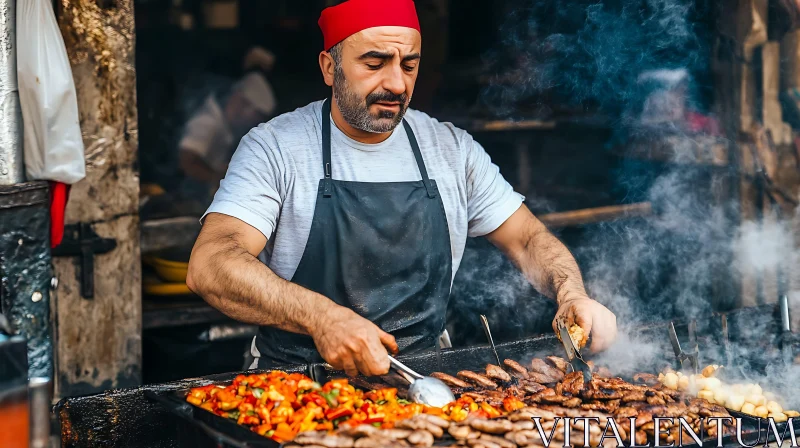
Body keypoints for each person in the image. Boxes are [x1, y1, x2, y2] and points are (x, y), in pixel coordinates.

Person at [186, 0, 617, 376]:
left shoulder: (451, 149)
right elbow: (212, 263)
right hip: (294, 388)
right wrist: (322, 318)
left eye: (408, 64)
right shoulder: (275, 147)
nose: (396, 83)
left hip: (426, 383)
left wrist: (572, 294)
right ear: (329, 67)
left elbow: (527, 239)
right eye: (374, 64)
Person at [178, 48, 277, 196]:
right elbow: (187, 161)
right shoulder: (207, 121)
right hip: (189, 195)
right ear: (241, 103)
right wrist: (219, 180)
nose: (251, 124)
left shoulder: (226, 125)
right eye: (253, 119)